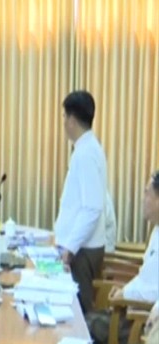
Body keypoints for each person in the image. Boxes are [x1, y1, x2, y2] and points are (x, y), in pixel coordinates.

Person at [87, 174, 159, 344]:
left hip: (139, 320)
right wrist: (123, 289)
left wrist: (124, 294)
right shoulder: (156, 230)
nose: (143, 199)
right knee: (82, 321)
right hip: (130, 309)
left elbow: (154, 291)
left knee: (83, 328)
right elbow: (145, 278)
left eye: (147, 193)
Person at [54, 90, 108, 312]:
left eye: (64, 117)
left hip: (82, 251)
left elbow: (92, 208)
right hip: (80, 248)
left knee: (80, 315)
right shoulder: (87, 148)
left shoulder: (86, 154)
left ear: (72, 120)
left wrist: (70, 248)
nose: (63, 122)